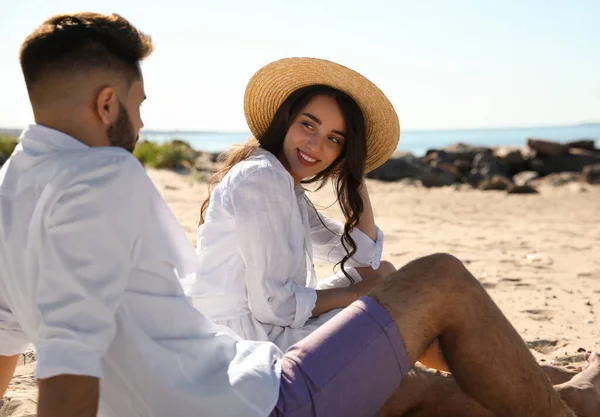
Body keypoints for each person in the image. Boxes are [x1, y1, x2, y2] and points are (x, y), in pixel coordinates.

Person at [1, 12, 598, 417]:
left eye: (336, 138)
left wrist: (353, 178)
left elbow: (7, 339)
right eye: (138, 103)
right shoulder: (105, 177)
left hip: (243, 374)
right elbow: (70, 355)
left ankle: (573, 393)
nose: (142, 120)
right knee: (439, 277)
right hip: (253, 397)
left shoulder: (12, 188)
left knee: (436, 400)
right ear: (107, 102)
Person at [189, 56, 400, 352]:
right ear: (286, 121)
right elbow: (275, 305)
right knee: (387, 301)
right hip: (245, 339)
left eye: (334, 139)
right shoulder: (263, 179)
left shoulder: (286, 186)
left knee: (385, 275)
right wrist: (354, 295)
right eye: (308, 125)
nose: (315, 145)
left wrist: (355, 172)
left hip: (266, 324)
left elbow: (362, 256)